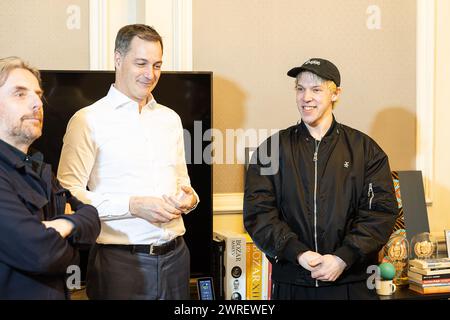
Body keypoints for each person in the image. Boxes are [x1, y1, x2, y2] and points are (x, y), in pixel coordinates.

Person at [57, 24, 198, 300]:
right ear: (118, 59)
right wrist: (132, 205)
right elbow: (68, 197)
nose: (150, 74)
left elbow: (184, 183)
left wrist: (189, 199)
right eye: (141, 63)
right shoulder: (88, 120)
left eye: (157, 65)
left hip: (178, 258)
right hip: (120, 264)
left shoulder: (170, 119)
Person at [243, 58, 397, 299]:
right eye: (300, 89)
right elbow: (258, 214)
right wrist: (298, 253)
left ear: (335, 94)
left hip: (351, 283)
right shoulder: (271, 150)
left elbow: (380, 213)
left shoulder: (365, 150)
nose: (306, 97)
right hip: (292, 283)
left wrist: (342, 257)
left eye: (316, 90)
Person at [0, 56, 101, 299]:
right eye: (20, 94)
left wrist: (63, 225)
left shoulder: (40, 167)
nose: (37, 103)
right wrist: (70, 234)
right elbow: (41, 254)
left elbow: (91, 219)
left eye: (38, 94)